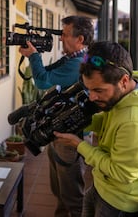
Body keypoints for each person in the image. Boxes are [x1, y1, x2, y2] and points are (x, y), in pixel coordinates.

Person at [54, 41, 138, 217]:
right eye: (88, 89)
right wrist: (75, 121)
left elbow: (123, 174)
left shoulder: (134, 121)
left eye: (98, 90)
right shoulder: (129, 90)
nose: (92, 97)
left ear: (124, 81)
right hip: (101, 186)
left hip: (118, 201)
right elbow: (110, 120)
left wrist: (79, 145)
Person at [19, 15, 94, 217]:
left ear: (80, 40)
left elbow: (42, 82)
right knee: (60, 190)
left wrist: (34, 56)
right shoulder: (77, 58)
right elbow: (46, 72)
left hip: (69, 137)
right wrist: (35, 53)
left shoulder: (78, 63)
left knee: (71, 195)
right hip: (60, 131)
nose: (61, 38)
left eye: (65, 34)